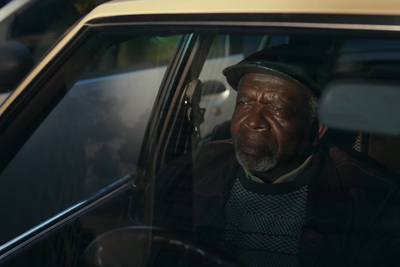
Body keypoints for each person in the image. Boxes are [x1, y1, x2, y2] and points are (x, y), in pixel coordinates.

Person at [150, 44, 400, 267]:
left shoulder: (370, 198)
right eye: (245, 103)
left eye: (277, 108)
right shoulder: (192, 170)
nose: (253, 121)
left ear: (317, 128)